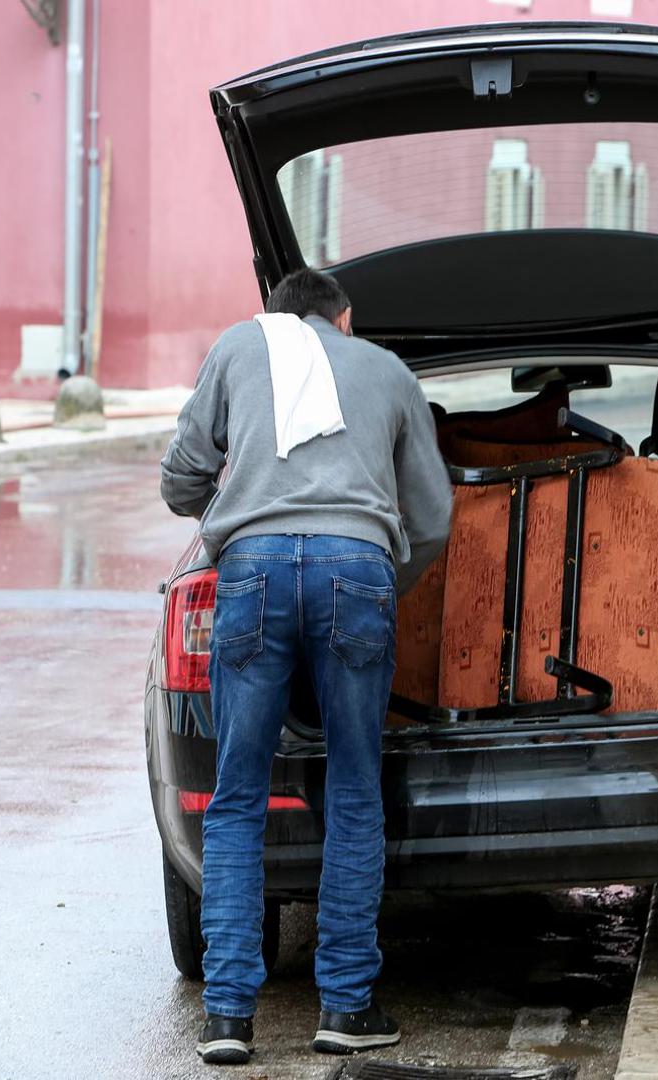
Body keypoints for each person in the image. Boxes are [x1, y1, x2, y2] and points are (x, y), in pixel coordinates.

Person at [161, 267, 452, 1066]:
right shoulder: (387, 371)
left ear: (275, 318)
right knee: (356, 787)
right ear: (344, 319)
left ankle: (227, 1017)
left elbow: (179, 475)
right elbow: (430, 517)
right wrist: (375, 581)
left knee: (236, 797)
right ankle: (348, 1008)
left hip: (250, 572)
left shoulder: (235, 349)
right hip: (356, 566)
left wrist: (236, 509)